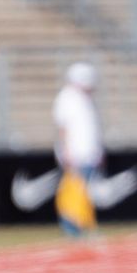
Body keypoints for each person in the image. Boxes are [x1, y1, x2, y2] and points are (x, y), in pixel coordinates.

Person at [52, 63, 102, 237]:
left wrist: (97, 151)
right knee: (74, 192)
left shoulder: (85, 99)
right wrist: (67, 152)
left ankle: (83, 227)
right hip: (75, 154)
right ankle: (72, 230)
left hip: (88, 154)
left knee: (85, 193)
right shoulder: (67, 98)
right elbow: (63, 128)